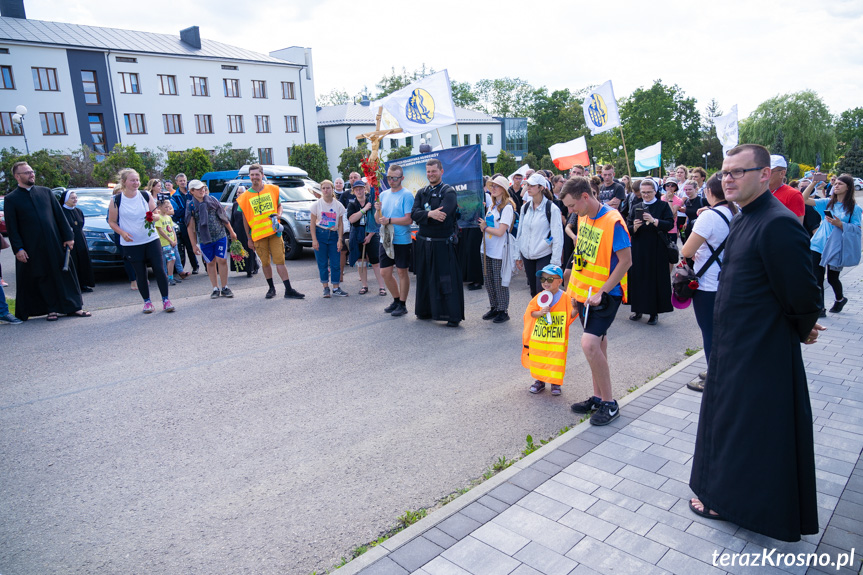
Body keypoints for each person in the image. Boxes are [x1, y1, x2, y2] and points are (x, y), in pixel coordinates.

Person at [689, 143, 823, 543]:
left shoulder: (777, 222)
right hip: (735, 345)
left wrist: (804, 325)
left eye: (738, 172)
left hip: (758, 349)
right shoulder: (745, 216)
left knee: (749, 430)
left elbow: (802, 291)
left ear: (764, 175)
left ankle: (734, 503)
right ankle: (722, 495)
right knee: (731, 424)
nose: (727, 178)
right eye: (725, 172)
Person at [561, 176, 632, 426]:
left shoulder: (613, 220)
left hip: (604, 295)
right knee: (598, 346)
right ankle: (599, 397)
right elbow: (582, 257)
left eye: (572, 206)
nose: (570, 212)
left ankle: (610, 404)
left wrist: (602, 290)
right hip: (584, 295)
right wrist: (571, 293)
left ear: (585, 196)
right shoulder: (583, 216)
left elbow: (626, 261)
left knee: (589, 344)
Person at [4, 162, 90, 321]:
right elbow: (12, 228)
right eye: (27, 172)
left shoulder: (46, 192)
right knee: (43, 277)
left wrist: (68, 237)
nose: (31, 174)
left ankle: (74, 307)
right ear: (17, 176)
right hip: (32, 247)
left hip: (55, 243)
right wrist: (18, 249)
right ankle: (52, 309)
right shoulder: (11, 199)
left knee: (65, 275)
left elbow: (59, 216)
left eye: (32, 171)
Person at [680, 174, 735, 391]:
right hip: (729, 280)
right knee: (723, 331)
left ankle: (715, 377)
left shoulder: (709, 217)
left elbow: (687, 250)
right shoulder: (735, 212)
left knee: (710, 332)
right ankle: (720, 369)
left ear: (710, 192)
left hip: (708, 283)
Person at [108, 168, 174, 314]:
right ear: (124, 182)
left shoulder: (145, 195)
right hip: (131, 243)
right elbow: (111, 222)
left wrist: (153, 217)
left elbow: (156, 215)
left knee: (159, 269)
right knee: (141, 273)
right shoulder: (116, 200)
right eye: (132, 180)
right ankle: (147, 302)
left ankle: (166, 300)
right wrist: (122, 233)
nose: (136, 183)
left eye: (137, 180)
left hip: (150, 239)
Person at [236, 164, 305, 300]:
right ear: (249, 177)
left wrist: (279, 215)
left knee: (280, 261)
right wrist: (249, 238)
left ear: (262, 175)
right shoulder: (244, 197)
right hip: (258, 236)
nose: (255, 177)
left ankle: (289, 289)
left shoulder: (272, 189)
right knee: (266, 263)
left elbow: (280, 206)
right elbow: (244, 219)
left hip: (274, 233)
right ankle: (271, 288)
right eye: (252, 175)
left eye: (257, 174)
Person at [411, 158, 464, 327]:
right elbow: (414, 214)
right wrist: (429, 215)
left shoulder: (449, 192)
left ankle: (451, 315)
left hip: (442, 245)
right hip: (424, 244)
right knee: (425, 279)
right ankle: (425, 311)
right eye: (428, 171)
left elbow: (444, 216)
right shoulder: (421, 192)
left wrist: (425, 216)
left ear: (441, 171)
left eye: (434, 171)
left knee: (445, 281)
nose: (430, 174)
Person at [802, 174, 861, 315]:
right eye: (835, 183)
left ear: (848, 188)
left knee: (833, 278)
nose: (836, 186)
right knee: (817, 277)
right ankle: (820, 307)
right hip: (818, 244)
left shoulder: (854, 208)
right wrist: (813, 183)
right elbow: (803, 199)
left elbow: (857, 229)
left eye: (840, 184)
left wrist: (840, 224)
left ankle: (840, 299)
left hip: (836, 247)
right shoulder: (827, 202)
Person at [522, 265, 575, 396]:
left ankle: (555, 383)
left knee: (555, 360)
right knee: (539, 359)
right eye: (543, 279)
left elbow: (571, 315)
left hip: (556, 338)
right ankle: (539, 381)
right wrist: (540, 313)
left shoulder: (565, 297)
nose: (546, 282)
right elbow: (531, 313)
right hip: (540, 337)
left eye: (550, 279)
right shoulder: (540, 297)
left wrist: (576, 308)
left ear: (560, 281)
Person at [626, 179, 674, 325]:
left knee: (654, 279)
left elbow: (670, 224)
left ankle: (654, 313)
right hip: (639, 247)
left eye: (649, 192)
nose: (646, 195)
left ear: (655, 191)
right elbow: (627, 228)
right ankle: (638, 309)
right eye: (643, 192)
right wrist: (634, 226)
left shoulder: (663, 206)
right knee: (638, 278)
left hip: (657, 248)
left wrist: (654, 221)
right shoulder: (636, 207)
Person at [186, 180, 237, 299]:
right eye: (198, 189)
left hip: (220, 235)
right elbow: (191, 227)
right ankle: (215, 288)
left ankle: (225, 287)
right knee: (210, 262)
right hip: (205, 239)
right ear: (192, 191)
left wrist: (231, 231)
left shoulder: (212, 200)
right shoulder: (191, 206)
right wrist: (194, 245)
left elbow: (223, 217)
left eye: (203, 188)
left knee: (222, 260)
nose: (202, 190)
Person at [375, 164, 414, 317]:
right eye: (389, 177)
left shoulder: (407, 195)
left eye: (395, 178)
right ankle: (396, 300)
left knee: (401, 271)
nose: (391, 180)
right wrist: (377, 210)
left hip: (401, 239)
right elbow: (378, 220)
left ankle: (403, 304)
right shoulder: (384, 195)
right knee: (384, 272)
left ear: (402, 178)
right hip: (385, 238)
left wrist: (389, 220)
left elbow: (408, 219)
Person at [516, 173, 564, 297]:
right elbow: (520, 232)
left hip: (544, 255)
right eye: (527, 185)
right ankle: (538, 316)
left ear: (541, 187)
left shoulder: (551, 208)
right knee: (533, 291)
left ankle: (546, 316)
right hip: (527, 255)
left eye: (532, 185)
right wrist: (518, 254)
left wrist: (555, 262)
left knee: (542, 291)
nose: (528, 188)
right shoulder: (525, 207)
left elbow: (558, 236)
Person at [479, 175, 517, 323]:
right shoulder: (492, 206)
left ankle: (502, 309)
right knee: (488, 280)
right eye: (492, 186)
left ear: (503, 189)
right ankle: (494, 307)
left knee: (499, 280)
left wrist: (485, 227)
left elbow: (501, 231)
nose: (493, 189)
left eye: (496, 186)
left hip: (499, 250)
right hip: (487, 248)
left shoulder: (507, 207)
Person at [310, 179, 348, 298]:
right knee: (322, 263)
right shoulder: (316, 205)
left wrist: (340, 239)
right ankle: (325, 287)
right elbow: (312, 223)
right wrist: (314, 239)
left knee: (335, 263)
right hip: (320, 234)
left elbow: (341, 223)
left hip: (333, 235)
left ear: (332, 189)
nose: (326, 190)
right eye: (323, 188)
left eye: (328, 188)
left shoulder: (338, 205)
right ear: (321, 190)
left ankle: (336, 287)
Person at [347, 180, 385, 296]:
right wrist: (363, 210)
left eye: (361, 188)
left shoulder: (371, 201)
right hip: (357, 235)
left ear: (365, 189)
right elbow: (352, 219)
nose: (359, 191)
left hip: (371, 235)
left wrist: (370, 236)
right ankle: (364, 285)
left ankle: (382, 287)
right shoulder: (352, 204)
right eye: (356, 189)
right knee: (361, 261)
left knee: (375, 261)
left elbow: (376, 220)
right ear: (353, 191)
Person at [59, 189, 96, 293]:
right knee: (73, 263)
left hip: (80, 239)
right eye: (72, 198)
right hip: (68, 241)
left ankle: (83, 284)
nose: (75, 200)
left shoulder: (78, 211)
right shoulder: (61, 212)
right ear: (66, 200)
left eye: (76, 198)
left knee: (83, 262)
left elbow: (81, 223)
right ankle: (73, 286)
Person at [170, 173, 200, 275]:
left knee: (198, 245)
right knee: (184, 247)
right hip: (183, 224)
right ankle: (184, 269)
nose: (183, 182)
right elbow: (175, 212)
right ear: (177, 182)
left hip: (196, 222)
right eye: (180, 181)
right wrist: (188, 210)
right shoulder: (174, 197)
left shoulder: (192, 193)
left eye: (184, 180)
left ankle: (200, 266)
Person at [230, 186, 259, 277]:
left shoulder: (249, 203)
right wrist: (231, 232)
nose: (239, 194)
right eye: (238, 192)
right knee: (240, 249)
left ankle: (250, 269)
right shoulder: (235, 204)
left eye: (241, 192)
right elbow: (232, 219)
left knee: (249, 249)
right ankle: (245, 267)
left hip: (247, 230)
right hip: (237, 230)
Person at [769, 155, 805, 224]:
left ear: (782, 173)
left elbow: (797, 227)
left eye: (770, 172)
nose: (765, 174)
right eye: (764, 171)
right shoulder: (758, 191)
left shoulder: (793, 195)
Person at [154, 199, 180, 285]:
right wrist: (170, 240)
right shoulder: (159, 218)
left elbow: (172, 229)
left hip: (171, 242)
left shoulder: (168, 217)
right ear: (160, 207)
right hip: (164, 242)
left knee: (172, 259)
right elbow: (161, 231)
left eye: (168, 207)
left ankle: (170, 276)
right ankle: (169, 278)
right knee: (171, 259)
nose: (168, 208)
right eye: (165, 207)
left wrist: (175, 240)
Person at [680, 179, 707, 244]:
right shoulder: (687, 201)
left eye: (690, 189)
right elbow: (689, 214)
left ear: (696, 189)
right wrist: (686, 222)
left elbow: (713, 208)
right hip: (689, 228)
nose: (687, 191)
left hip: (699, 228)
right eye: (686, 190)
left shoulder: (702, 200)